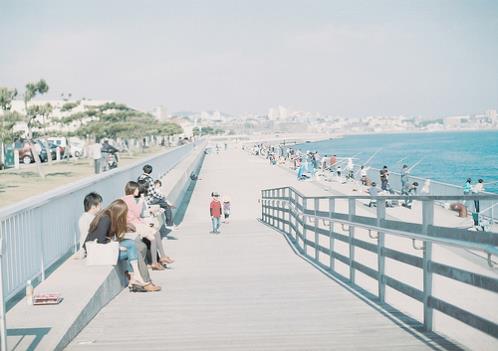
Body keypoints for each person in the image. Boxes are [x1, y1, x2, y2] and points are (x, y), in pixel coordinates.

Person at [85, 199, 161, 292]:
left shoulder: (109, 216)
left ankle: (134, 278)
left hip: (104, 250)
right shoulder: (105, 218)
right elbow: (101, 241)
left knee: (140, 246)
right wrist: (117, 245)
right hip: (100, 253)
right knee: (134, 249)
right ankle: (142, 280)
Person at [121, 181, 173, 271]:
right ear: (132, 189)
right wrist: (141, 202)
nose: (138, 190)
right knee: (153, 236)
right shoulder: (131, 199)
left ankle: (160, 258)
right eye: (137, 189)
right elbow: (137, 214)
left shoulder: (123, 199)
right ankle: (155, 262)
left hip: (135, 223)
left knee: (155, 233)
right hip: (133, 224)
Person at [138, 164, 176, 229]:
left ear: (143, 170)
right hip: (150, 200)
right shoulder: (149, 179)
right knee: (166, 206)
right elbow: (153, 193)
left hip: (142, 199)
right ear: (151, 171)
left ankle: (159, 213)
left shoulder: (139, 178)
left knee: (163, 203)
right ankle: (169, 224)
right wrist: (162, 197)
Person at [78, 192, 103, 258]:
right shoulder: (86, 219)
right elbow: (86, 236)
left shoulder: (90, 217)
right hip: (90, 250)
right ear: (93, 207)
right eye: (99, 205)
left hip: (91, 248)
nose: (101, 208)